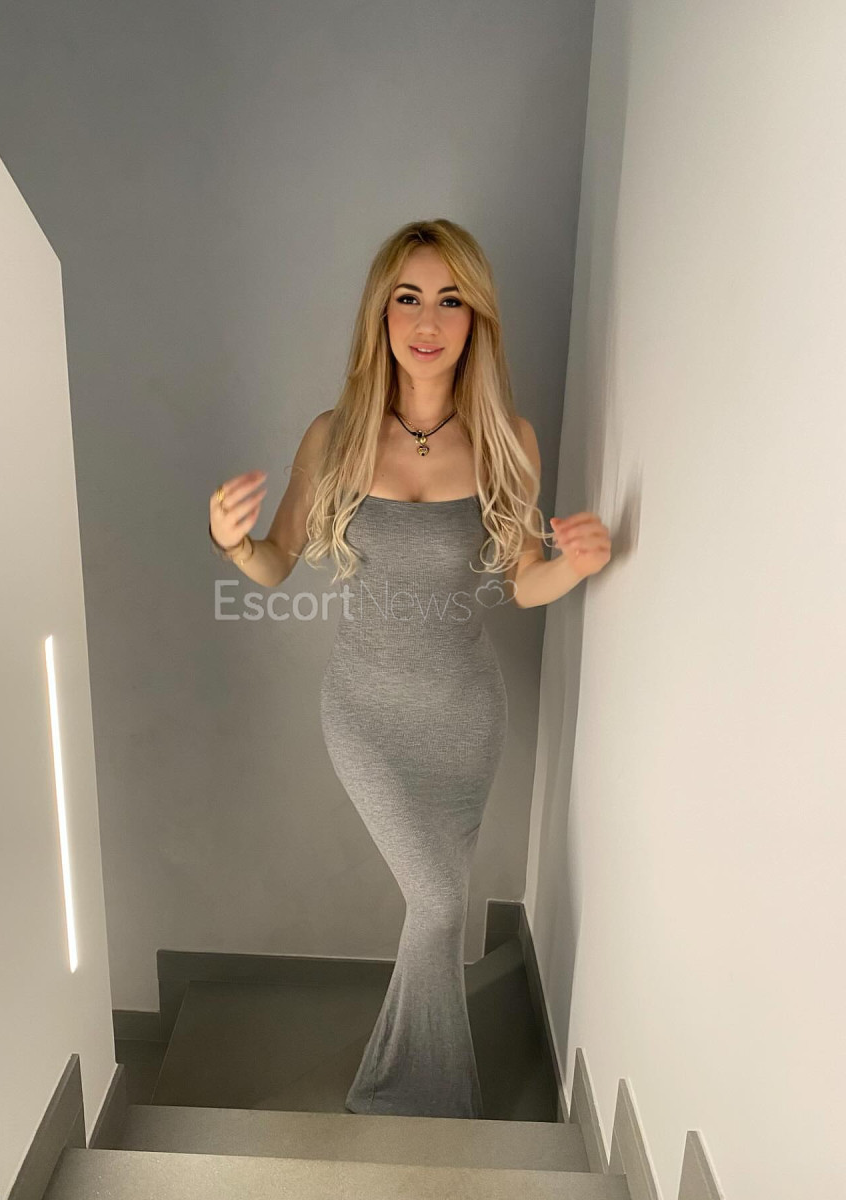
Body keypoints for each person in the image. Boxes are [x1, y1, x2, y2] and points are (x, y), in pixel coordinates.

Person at [208, 218, 611, 1118]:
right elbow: (275, 564)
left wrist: (576, 564)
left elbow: (524, 581)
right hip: (365, 712)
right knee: (436, 902)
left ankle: (412, 1084)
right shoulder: (334, 437)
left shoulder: (508, 439)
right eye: (408, 298)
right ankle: (416, 1098)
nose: (428, 321)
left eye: (451, 300)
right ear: (380, 314)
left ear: (477, 320)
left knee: (440, 907)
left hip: (466, 719)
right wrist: (231, 542)